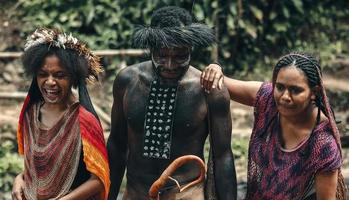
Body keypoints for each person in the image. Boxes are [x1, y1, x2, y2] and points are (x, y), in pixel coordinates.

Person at [107, 6, 237, 200]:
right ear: (150, 48)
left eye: (180, 56)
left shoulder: (208, 91)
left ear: (191, 49)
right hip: (136, 193)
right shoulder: (127, 81)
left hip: (187, 193)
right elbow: (117, 145)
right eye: (161, 55)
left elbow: (223, 155)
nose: (169, 65)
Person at [201, 52, 348, 199]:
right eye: (280, 87)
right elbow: (219, 81)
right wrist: (215, 69)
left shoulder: (322, 145)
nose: (285, 96)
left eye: (295, 90)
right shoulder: (267, 99)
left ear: (314, 92)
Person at [12, 28, 110, 200]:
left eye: (60, 75)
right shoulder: (30, 114)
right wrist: (19, 179)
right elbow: (36, 169)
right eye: (43, 74)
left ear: (73, 78)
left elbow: (99, 179)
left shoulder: (84, 121)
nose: (50, 82)